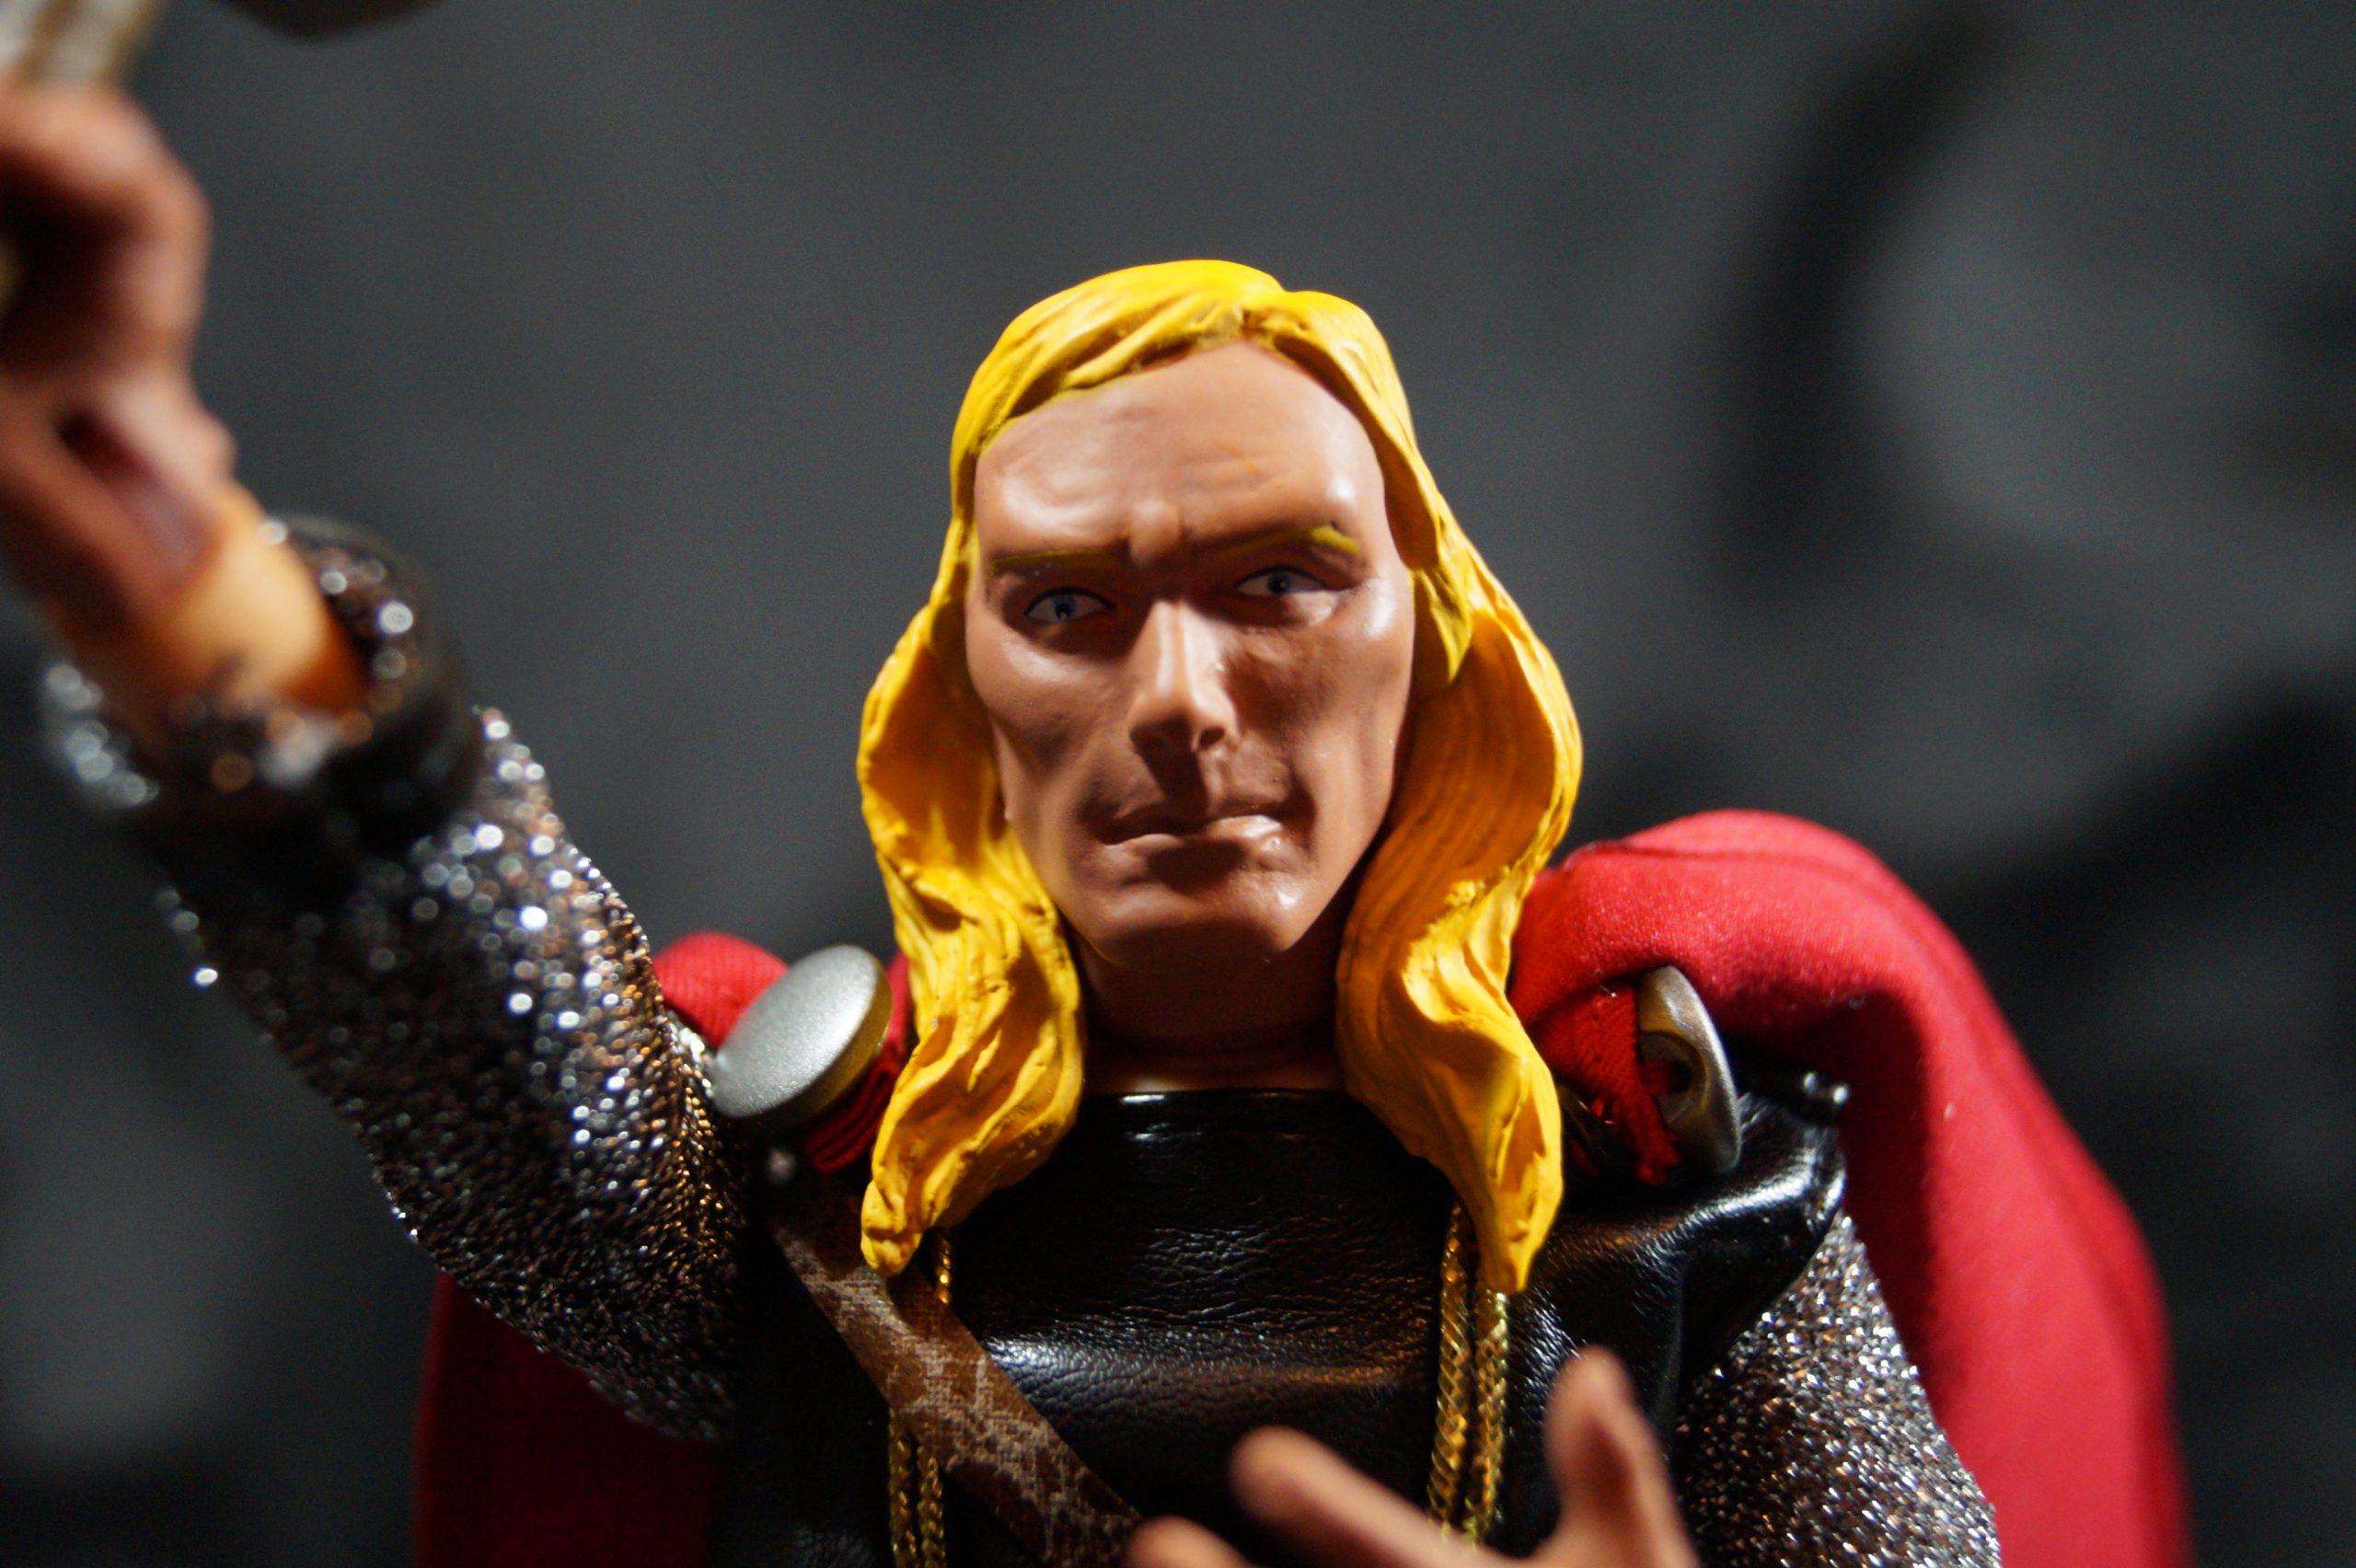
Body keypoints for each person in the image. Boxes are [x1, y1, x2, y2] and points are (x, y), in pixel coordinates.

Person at [0, 82, 2177, 1568]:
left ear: (1437, 650)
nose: (1178, 706)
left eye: (1276, 583)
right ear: (962, 696)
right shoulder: (807, 1213)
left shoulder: (1661, 1202)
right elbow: (474, 1018)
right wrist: (171, 560)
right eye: (1066, 610)